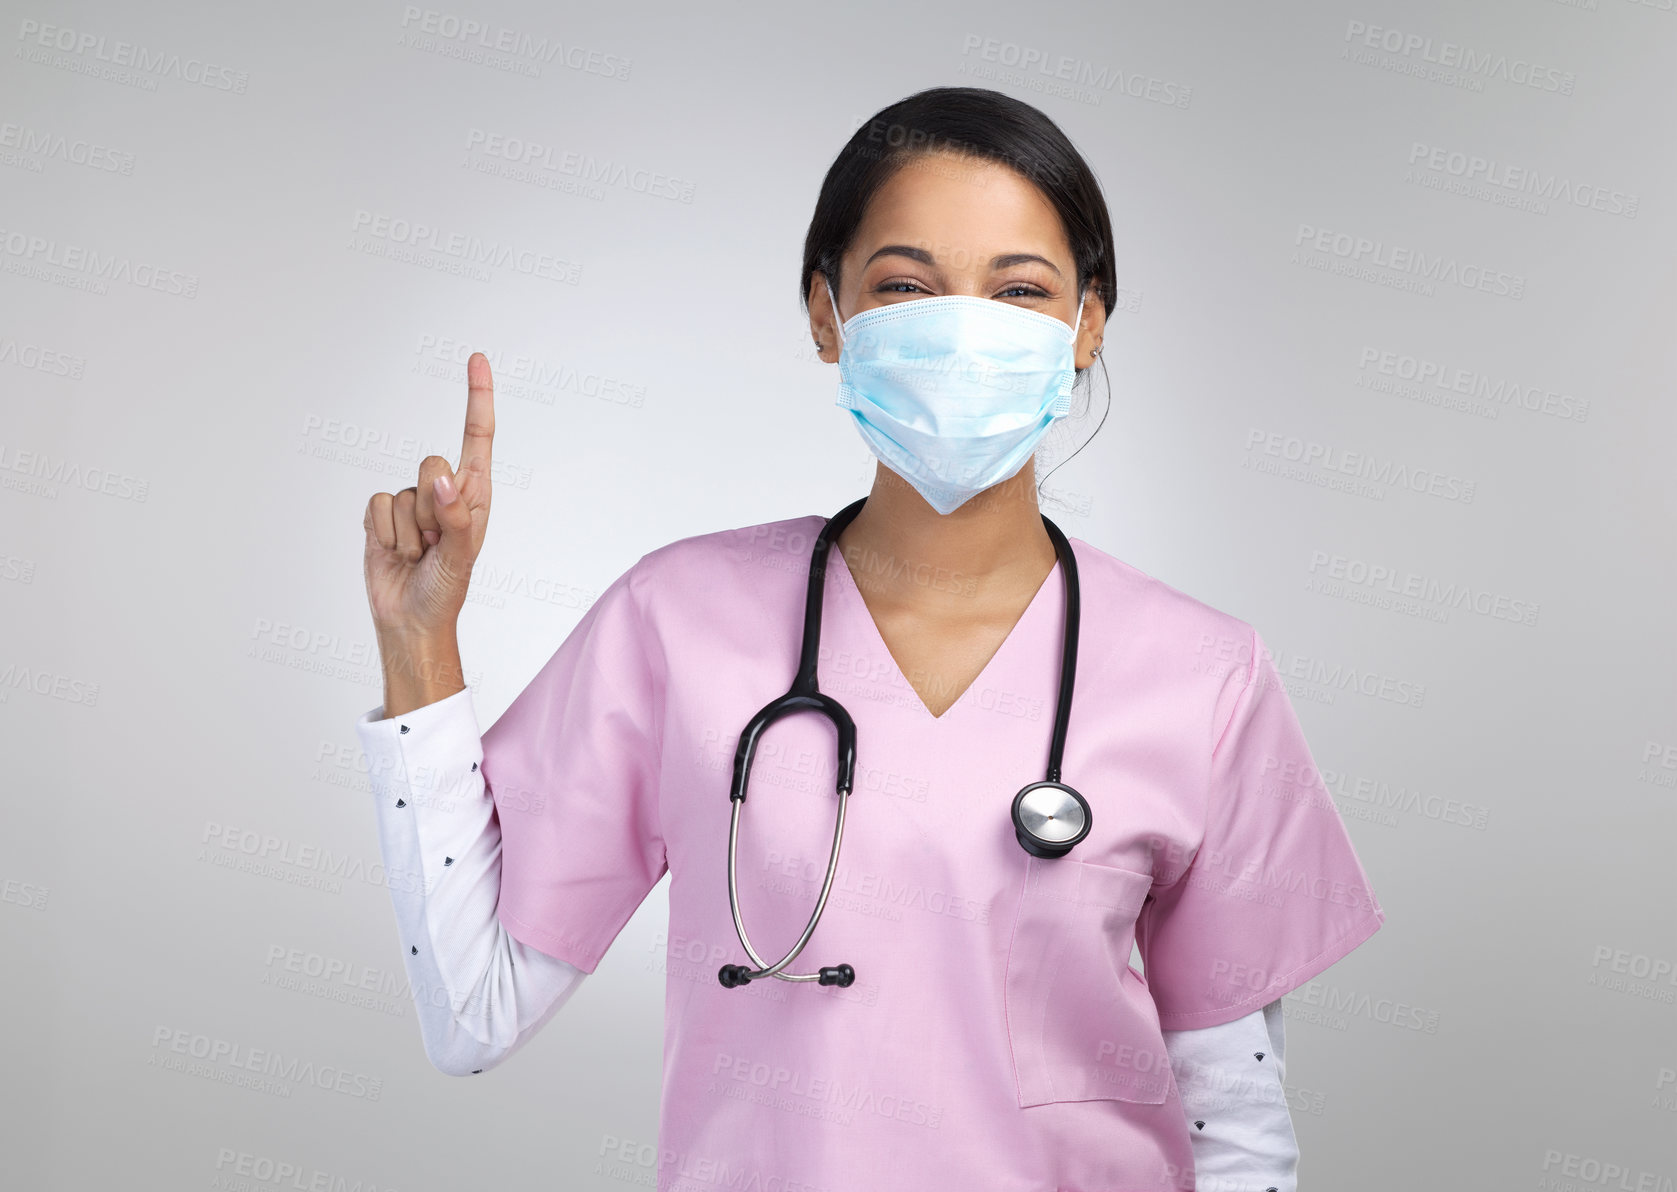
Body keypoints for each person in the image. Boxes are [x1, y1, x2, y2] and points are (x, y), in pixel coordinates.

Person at [355, 86, 1384, 1191]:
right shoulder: (680, 620)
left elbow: (1238, 1125)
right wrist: (420, 645)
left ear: (1087, 323)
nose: (961, 327)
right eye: (906, 285)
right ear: (825, 312)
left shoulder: (1202, 678)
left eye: (1019, 289)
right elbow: (473, 1011)